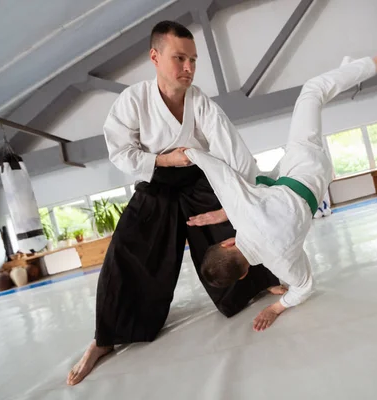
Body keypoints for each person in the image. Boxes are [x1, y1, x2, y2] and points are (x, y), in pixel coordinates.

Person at [67, 21, 282, 386]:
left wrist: (251, 191)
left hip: (198, 178)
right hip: (155, 180)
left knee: (228, 225)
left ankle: (258, 280)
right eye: (179, 58)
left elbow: (234, 152)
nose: (188, 68)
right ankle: (106, 338)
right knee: (127, 250)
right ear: (155, 56)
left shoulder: (200, 102)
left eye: (193, 60)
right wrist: (164, 160)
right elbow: (120, 152)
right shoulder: (133, 101)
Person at [184, 32, 377, 332]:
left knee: (258, 182)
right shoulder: (243, 215)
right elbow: (218, 171)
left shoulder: (281, 266)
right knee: (312, 91)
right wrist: (190, 154)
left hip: (309, 181)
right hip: (302, 165)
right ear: (227, 241)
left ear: (245, 274)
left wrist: (276, 308)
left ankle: (348, 70)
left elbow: (304, 287)